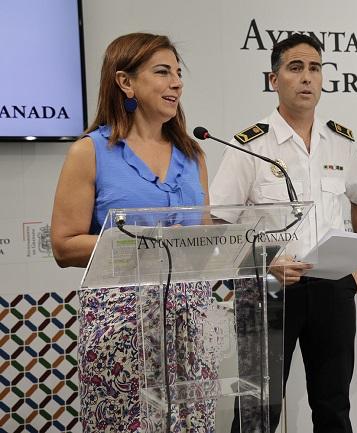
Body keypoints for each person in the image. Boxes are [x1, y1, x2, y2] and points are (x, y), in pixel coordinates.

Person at [209, 33, 357, 433]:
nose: (306, 78)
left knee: (334, 406)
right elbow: (217, 226)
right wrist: (264, 262)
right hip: (267, 291)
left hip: (332, 286)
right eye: (295, 67)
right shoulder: (250, 145)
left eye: (314, 69)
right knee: (256, 413)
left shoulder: (340, 141)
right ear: (274, 79)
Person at [51, 33, 215, 432]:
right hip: (121, 332)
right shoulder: (89, 153)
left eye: (178, 73)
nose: (177, 82)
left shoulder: (194, 155)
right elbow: (64, 245)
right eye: (162, 72)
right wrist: (148, 246)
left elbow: (204, 243)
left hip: (191, 329)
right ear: (125, 82)